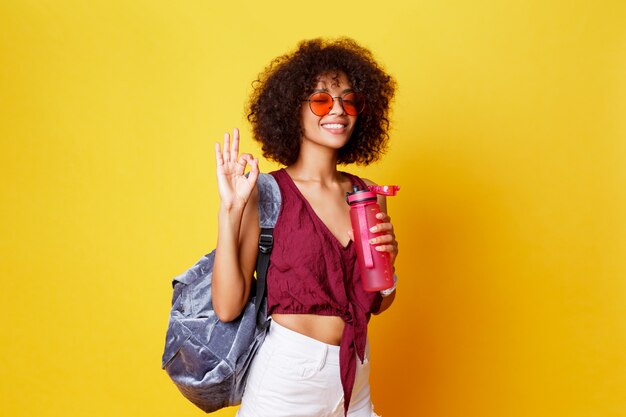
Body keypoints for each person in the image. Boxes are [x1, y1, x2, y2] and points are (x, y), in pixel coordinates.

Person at [212, 38, 398, 417]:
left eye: (349, 101)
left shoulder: (367, 194)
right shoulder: (267, 193)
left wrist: (391, 265)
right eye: (321, 100)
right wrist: (230, 211)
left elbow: (378, 303)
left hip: (356, 378)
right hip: (288, 382)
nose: (339, 111)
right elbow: (227, 306)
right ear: (291, 110)